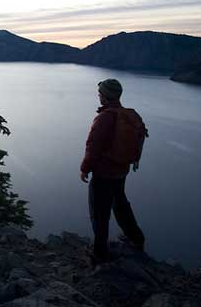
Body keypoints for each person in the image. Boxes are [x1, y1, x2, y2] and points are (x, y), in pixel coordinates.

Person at [80, 78, 146, 265]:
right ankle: (136, 238)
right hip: (121, 169)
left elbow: (93, 146)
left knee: (99, 212)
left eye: (100, 93)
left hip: (104, 172)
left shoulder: (105, 118)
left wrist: (85, 169)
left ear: (105, 96)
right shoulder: (126, 115)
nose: (98, 95)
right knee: (120, 204)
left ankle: (100, 252)